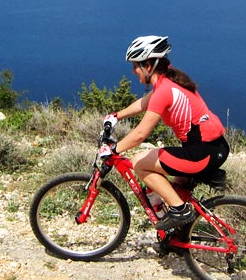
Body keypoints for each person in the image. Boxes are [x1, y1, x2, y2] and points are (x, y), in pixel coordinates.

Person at [99, 35, 230, 231]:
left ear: (149, 65)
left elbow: (141, 133)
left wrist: (113, 149)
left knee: (140, 163)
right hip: (212, 148)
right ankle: (178, 235)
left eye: (136, 65)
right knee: (176, 188)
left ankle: (180, 211)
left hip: (201, 154)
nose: (134, 71)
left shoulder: (164, 90)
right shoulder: (168, 80)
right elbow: (145, 102)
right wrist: (116, 116)